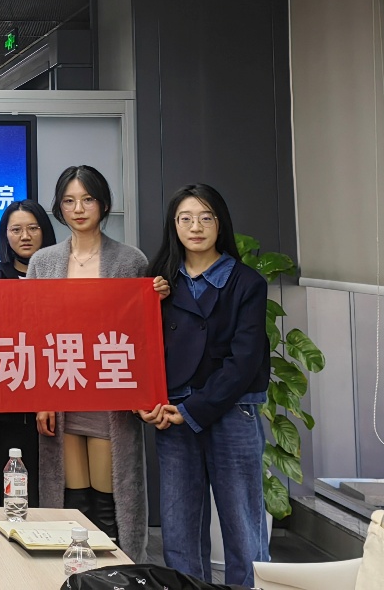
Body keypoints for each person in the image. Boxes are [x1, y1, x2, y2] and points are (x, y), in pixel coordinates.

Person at [29, 164, 166, 563]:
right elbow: (33, 334)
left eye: (87, 199)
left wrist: (157, 295)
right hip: (62, 390)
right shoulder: (43, 262)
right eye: (69, 201)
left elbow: (142, 334)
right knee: (73, 498)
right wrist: (41, 398)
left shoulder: (130, 260)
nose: (78, 209)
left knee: (110, 498)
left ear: (103, 204)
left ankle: (115, 575)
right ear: (58, 207)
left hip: (110, 394)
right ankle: (77, 574)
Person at [140, 184, 270, 587]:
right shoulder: (158, 283)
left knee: (242, 526)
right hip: (171, 412)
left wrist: (194, 409)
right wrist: (147, 399)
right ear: (173, 225)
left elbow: (244, 361)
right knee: (179, 529)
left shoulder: (247, 283)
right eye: (185, 219)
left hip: (231, 410)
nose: (195, 227)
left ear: (220, 223)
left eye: (205, 218)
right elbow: (138, 345)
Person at [0, 199, 55, 499]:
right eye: (16, 229)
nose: (25, 236)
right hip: (8, 413)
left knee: (59, 491)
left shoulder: (62, 276)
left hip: (60, 404)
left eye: (33, 228)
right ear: (5, 235)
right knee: (15, 494)